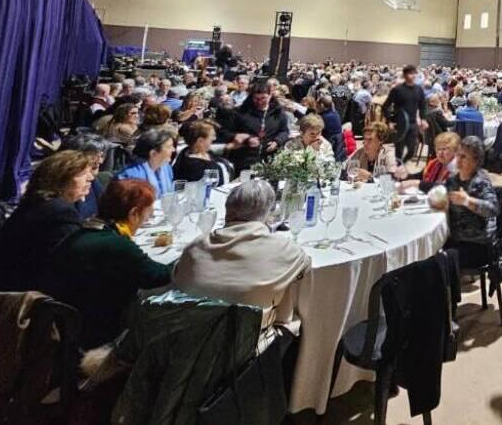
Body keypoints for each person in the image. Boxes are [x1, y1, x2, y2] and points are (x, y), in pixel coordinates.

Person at [43, 180, 173, 348]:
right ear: (134, 213)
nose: (151, 216)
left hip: (63, 321)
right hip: (93, 332)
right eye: (149, 212)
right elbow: (156, 276)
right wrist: (189, 259)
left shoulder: (88, 230)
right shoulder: (116, 244)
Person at [173, 180, 312, 337]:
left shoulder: (195, 248)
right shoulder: (286, 250)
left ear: (227, 211)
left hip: (189, 340)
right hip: (249, 347)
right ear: (267, 214)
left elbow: (177, 279)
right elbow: (305, 270)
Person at [0, 151, 98, 291]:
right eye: (82, 174)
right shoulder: (60, 213)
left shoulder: (36, 203)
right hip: (33, 296)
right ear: (61, 180)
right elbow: (71, 263)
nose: (90, 178)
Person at [435, 137, 499, 268]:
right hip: (456, 240)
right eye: (458, 154)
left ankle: (450, 287)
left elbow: (493, 209)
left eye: (464, 157)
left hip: (478, 246)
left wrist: (468, 201)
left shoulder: (481, 182)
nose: (458, 159)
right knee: (427, 254)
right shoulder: (453, 181)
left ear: (476, 161)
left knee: (435, 265)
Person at [219, 79, 290, 173]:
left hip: (268, 161)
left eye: (263, 98)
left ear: (270, 95)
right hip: (243, 160)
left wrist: (277, 141)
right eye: (256, 99)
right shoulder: (239, 112)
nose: (259, 102)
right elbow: (224, 132)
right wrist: (245, 139)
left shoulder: (278, 112)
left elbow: (284, 131)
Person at [59, 133, 112, 220]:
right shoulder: (67, 186)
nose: (101, 160)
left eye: (102, 155)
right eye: (94, 155)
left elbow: (105, 206)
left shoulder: (93, 181)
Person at [115, 129, 176, 196]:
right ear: (153, 153)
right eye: (169, 147)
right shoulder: (130, 178)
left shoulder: (166, 167)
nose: (173, 150)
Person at [386, 65, 427, 161]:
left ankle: (401, 165)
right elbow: (386, 106)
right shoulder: (397, 90)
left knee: (412, 151)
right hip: (399, 123)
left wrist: (423, 119)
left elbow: (422, 106)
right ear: (405, 75)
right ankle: (399, 168)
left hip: (413, 124)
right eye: (410, 73)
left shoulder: (419, 89)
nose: (413, 76)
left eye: (414, 73)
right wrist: (390, 120)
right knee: (399, 151)